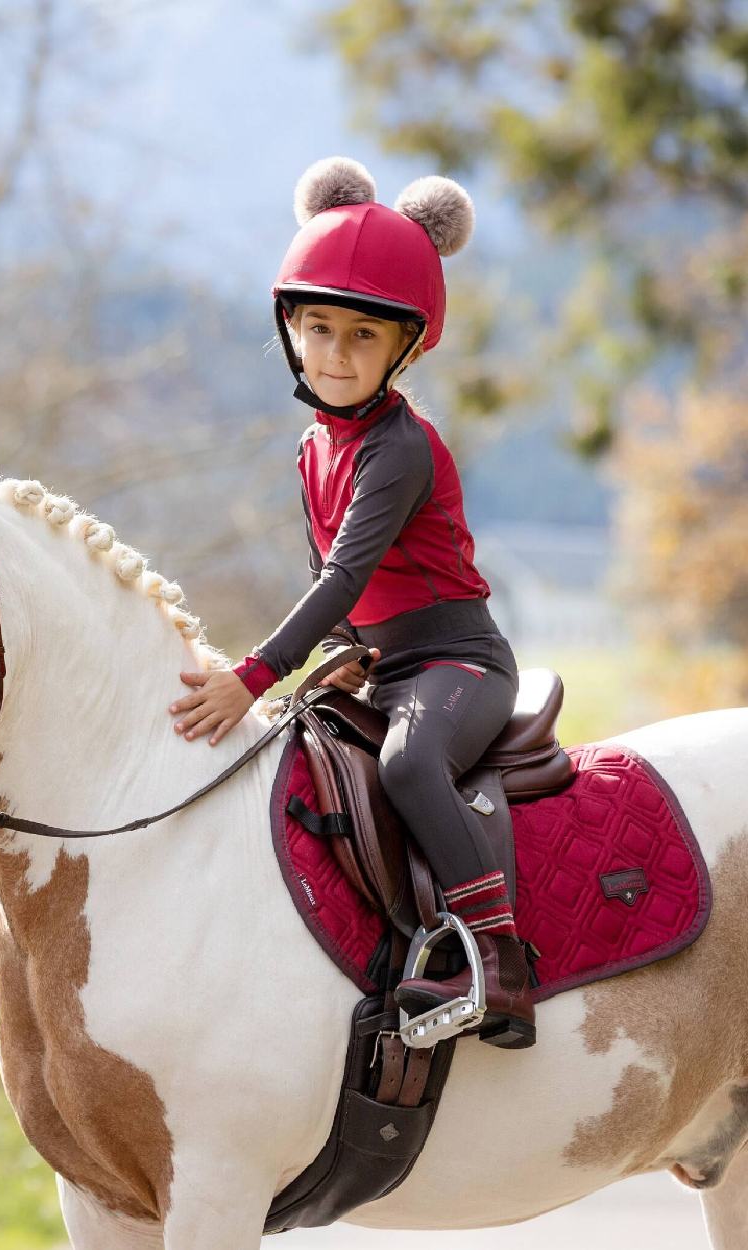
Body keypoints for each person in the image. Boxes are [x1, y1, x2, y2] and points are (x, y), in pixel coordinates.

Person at [167, 157, 534, 1049]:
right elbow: (333, 594)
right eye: (318, 327)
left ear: (405, 347)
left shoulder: (398, 449)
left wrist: (250, 674)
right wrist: (333, 656)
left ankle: (498, 962)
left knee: (410, 766)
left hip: (458, 663)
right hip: (385, 664)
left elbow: (343, 576)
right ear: (290, 327)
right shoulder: (313, 449)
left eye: (363, 337)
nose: (334, 354)